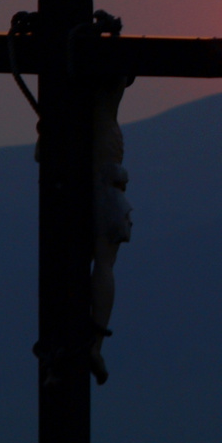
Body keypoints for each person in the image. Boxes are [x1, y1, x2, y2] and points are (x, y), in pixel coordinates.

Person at [89, 73, 133, 385]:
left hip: (96, 181)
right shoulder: (105, 64)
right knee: (104, 263)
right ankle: (94, 344)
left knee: (104, 264)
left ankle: (94, 344)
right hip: (102, 182)